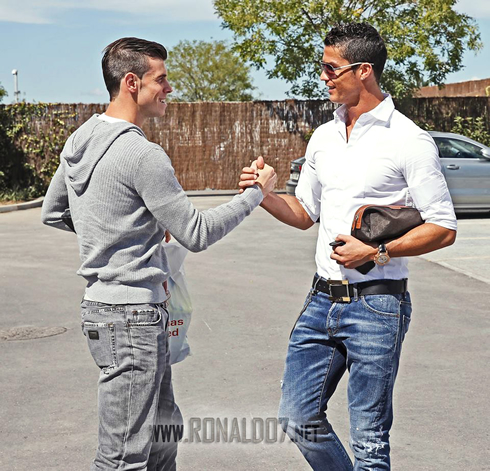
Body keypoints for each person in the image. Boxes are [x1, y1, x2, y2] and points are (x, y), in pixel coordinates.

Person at [41, 37, 276, 471]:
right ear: (131, 82)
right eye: (161, 79)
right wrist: (255, 195)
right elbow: (197, 232)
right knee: (123, 457)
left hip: (110, 312)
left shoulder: (81, 139)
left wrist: (119, 231)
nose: (169, 89)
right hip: (130, 317)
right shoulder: (142, 154)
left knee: (165, 432)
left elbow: (54, 211)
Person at [240, 23, 457, 470]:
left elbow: (443, 227)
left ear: (364, 71)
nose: (322, 77)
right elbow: (304, 214)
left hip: (378, 305)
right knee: (298, 418)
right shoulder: (323, 137)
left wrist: (377, 253)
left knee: (369, 439)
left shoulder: (408, 140)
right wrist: (263, 194)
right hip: (321, 300)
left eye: (330, 68)